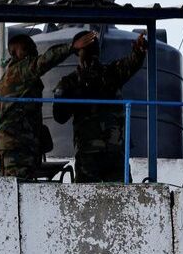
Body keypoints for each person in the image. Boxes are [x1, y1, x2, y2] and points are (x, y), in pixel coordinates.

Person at [0, 31, 97, 178]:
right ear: (15, 52)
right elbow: (45, 61)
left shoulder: (3, 82)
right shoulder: (21, 70)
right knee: (20, 191)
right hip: (18, 146)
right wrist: (72, 47)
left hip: (7, 148)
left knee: (13, 191)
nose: (34, 51)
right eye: (28, 48)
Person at [53, 31, 148, 183]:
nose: (92, 55)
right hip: (89, 151)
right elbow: (59, 116)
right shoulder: (70, 82)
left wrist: (139, 50)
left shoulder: (110, 73)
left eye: (94, 50)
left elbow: (132, 63)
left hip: (113, 151)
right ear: (78, 53)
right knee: (87, 199)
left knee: (123, 198)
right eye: (87, 50)